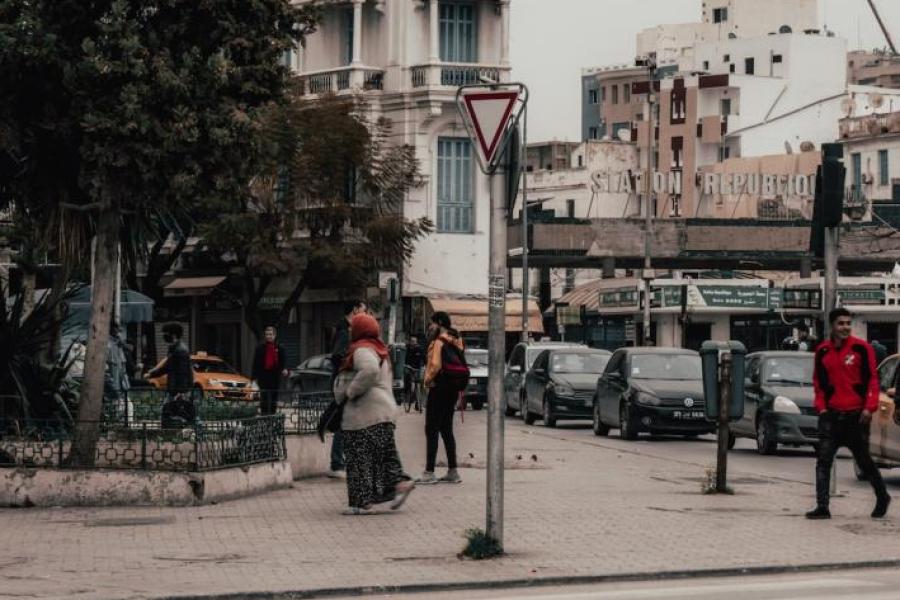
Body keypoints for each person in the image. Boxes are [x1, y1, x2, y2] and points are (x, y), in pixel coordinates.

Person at [806, 308, 891, 520]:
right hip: (831, 416)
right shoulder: (822, 351)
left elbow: (872, 380)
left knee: (864, 462)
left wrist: (868, 407)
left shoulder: (862, 349)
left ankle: (882, 496)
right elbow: (818, 383)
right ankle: (822, 506)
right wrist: (822, 407)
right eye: (840, 323)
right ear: (832, 326)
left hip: (856, 416)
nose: (845, 327)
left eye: (847, 323)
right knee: (823, 461)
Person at [333, 313, 414, 515]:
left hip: (365, 414)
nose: (350, 331)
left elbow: (369, 371)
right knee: (384, 457)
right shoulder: (379, 349)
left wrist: (350, 391)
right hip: (383, 413)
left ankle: (361, 503)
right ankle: (399, 485)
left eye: (354, 327)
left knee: (359, 459)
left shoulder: (361, 349)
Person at [416, 311, 465, 485]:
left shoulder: (437, 342)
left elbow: (435, 365)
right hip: (452, 389)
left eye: (432, 323)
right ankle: (453, 471)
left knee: (431, 428)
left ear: (440, 323)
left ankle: (429, 472)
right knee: (446, 429)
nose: (430, 327)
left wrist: (427, 381)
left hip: (439, 388)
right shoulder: (457, 340)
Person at [328, 299, 368, 479]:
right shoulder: (345, 330)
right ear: (354, 310)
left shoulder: (348, 329)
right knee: (344, 421)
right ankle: (337, 464)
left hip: (346, 381)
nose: (364, 314)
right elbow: (337, 355)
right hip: (344, 382)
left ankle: (341, 461)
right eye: (362, 310)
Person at [146, 323, 195, 428]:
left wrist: (180, 392)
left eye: (166, 334)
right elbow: (168, 367)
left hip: (177, 390)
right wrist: (151, 374)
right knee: (173, 412)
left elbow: (183, 373)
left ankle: (172, 435)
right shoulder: (175, 349)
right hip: (174, 389)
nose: (164, 336)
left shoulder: (180, 351)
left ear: (173, 335)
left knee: (172, 412)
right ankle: (173, 434)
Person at [251, 326, 288, 415]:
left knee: (274, 398)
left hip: (275, 376)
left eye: (271, 334)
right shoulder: (260, 347)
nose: (269, 336)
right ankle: (264, 416)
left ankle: (272, 416)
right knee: (264, 398)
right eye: (267, 334)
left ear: (274, 335)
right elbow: (255, 363)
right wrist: (253, 378)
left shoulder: (280, 348)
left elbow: (283, 362)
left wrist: (284, 369)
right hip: (263, 376)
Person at [404, 335, 425, 412]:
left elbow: (423, 359)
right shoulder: (408, 349)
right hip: (411, 370)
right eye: (412, 341)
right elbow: (406, 360)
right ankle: (412, 401)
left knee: (418, 387)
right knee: (412, 387)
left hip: (418, 369)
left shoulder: (419, 349)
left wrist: (423, 366)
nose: (413, 343)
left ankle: (418, 404)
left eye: (414, 341)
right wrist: (407, 366)